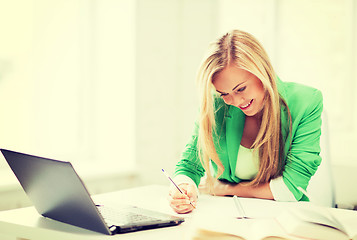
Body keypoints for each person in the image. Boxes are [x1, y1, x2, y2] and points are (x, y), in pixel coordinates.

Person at [168, 29, 323, 214]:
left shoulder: (307, 102)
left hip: (284, 218)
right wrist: (183, 188)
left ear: (261, 71)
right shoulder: (216, 105)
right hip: (228, 216)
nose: (235, 101)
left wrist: (225, 189)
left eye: (240, 89)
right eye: (224, 94)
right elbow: (188, 166)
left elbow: (291, 188)